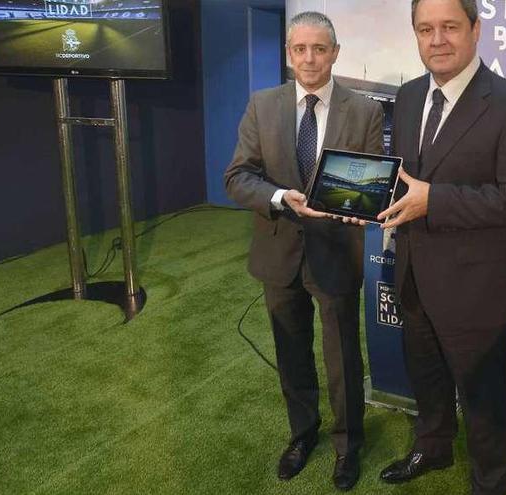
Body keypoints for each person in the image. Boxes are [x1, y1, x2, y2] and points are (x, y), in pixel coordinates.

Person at [376, 0, 506, 493]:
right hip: (413, 273)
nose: (437, 40)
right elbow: (406, 178)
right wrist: (366, 200)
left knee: (484, 398)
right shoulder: (408, 97)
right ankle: (432, 447)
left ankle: (489, 484)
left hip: (478, 288)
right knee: (426, 378)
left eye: (449, 26)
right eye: (425, 29)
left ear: (475, 29)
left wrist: (437, 201)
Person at [224, 11, 383, 492]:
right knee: (291, 352)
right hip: (279, 252)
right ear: (289, 54)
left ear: (335, 53)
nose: (309, 58)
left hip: (336, 249)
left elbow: (371, 179)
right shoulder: (262, 105)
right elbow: (238, 177)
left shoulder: (365, 111)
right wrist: (277, 198)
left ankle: (347, 445)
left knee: (342, 356)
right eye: (300, 49)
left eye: (320, 48)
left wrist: (363, 206)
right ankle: (302, 434)